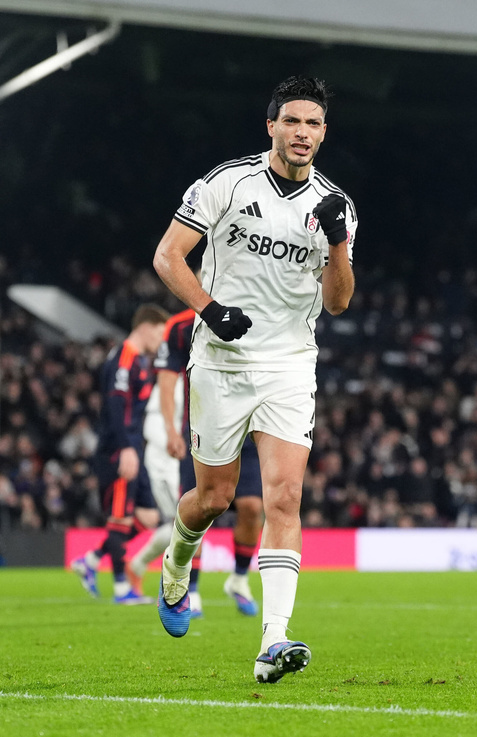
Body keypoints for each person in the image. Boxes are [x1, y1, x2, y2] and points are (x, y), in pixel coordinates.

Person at [152, 75, 356, 683]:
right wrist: (211, 310)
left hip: (291, 364)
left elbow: (339, 302)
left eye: (313, 123)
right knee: (212, 498)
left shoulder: (335, 205)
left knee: (284, 498)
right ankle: (176, 564)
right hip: (220, 361)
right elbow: (168, 256)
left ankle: (275, 639)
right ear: (271, 126)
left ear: (323, 133)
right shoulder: (226, 183)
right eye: (292, 121)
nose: (302, 133)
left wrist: (339, 242)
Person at [127, 306, 264, 618]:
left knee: (253, 507)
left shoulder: (258, 309)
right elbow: (165, 376)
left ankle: (239, 580)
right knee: (204, 506)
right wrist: (171, 429)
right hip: (202, 431)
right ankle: (192, 587)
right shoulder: (181, 325)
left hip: (249, 429)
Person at [72, 304, 169, 604]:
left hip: (134, 447)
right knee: (120, 518)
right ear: (146, 326)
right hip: (119, 450)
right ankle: (121, 589)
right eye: (160, 332)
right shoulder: (124, 359)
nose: (162, 340)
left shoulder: (138, 361)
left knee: (150, 517)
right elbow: (116, 407)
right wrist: (126, 448)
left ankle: (91, 560)